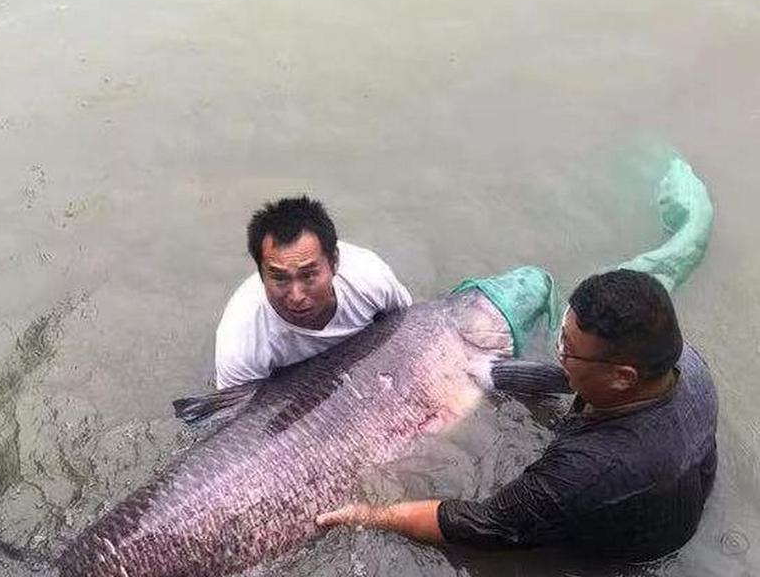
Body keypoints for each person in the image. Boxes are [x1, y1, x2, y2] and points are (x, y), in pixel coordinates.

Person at [316, 269, 718, 562]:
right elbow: (571, 380)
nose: (558, 351)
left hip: (625, 553)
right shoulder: (682, 361)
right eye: (562, 334)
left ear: (621, 377)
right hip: (669, 480)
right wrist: (489, 375)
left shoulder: (585, 472)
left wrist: (369, 513)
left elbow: (482, 525)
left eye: (568, 348)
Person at [214, 196, 412, 389]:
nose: (296, 296)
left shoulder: (370, 278)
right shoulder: (241, 342)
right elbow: (237, 416)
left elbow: (409, 331)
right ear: (261, 274)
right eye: (280, 278)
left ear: (334, 262)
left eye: (308, 275)